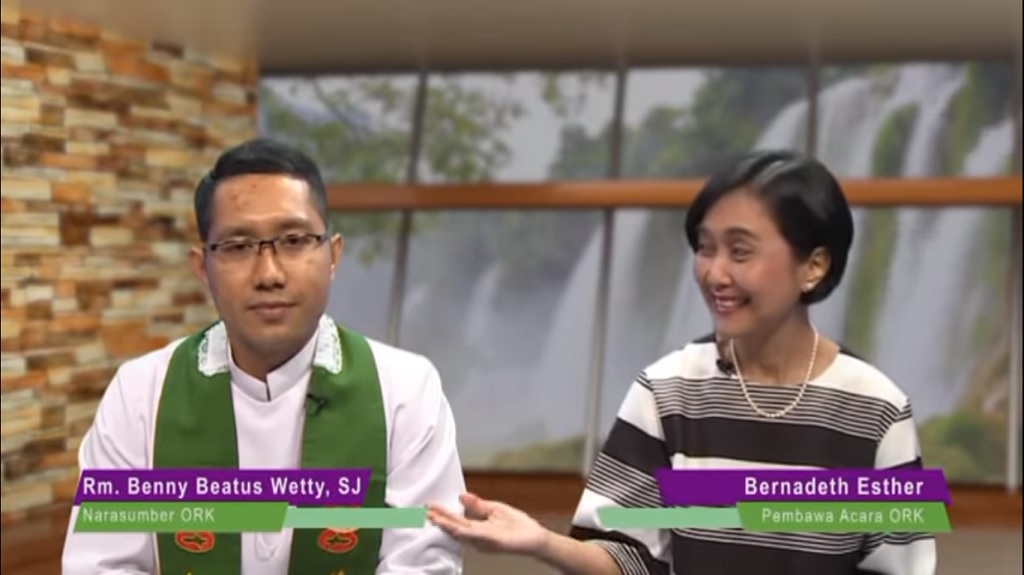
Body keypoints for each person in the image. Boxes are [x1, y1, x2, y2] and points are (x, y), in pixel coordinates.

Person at [427, 150, 937, 574]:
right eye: (704, 248)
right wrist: (543, 543)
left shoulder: (878, 409)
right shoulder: (667, 390)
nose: (714, 274)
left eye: (740, 252)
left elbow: (902, 567)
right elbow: (629, 555)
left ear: (814, 266)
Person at [62, 138, 466, 574]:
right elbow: (99, 565)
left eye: (294, 240)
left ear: (333, 255)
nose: (269, 274)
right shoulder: (140, 395)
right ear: (202, 268)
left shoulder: (406, 391)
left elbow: (425, 565)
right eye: (238, 246)